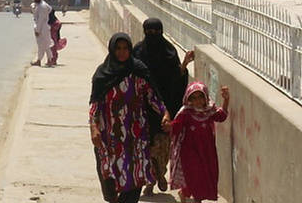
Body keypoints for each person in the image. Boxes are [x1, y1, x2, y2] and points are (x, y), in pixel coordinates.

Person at [89, 33, 170, 203]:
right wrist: (94, 128)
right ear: (112, 49)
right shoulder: (102, 75)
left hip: (136, 137)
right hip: (109, 137)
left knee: (134, 179)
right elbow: (95, 104)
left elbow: (152, 97)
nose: (122, 52)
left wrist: (165, 114)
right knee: (110, 183)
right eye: (118, 48)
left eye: (125, 48)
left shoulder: (139, 71)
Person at [133, 18, 195, 196]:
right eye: (149, 32)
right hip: (143, 106)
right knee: (146, 145)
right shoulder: (137, 51)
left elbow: (176, 77)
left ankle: (159, 173)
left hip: (165, 106)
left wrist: (183, 65)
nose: (152, 35)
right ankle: (151, 179)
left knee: (162, 145)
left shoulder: (169, 52)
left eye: (156, 32)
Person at [166, 82, 230, 203]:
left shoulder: (210, 110)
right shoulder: (185, 113)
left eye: (200, 97)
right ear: (188, 99)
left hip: (207, 151)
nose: (197, 101)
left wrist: (226, 100)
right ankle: (196, 199)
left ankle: (184, 193)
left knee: (204, 176)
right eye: (193, 98)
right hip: (189, 152)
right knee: (194, 176)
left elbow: (221, 116)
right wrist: (169, 126)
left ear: (205, 97)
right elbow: (176, 127)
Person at [30, 0, 53, 67]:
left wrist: (37, 30)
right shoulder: (40, 4)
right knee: (45, 45)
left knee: (42, 45)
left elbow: (40, 20)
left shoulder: (42, 6)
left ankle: (41, 60)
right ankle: (47, 60)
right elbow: (50, 9)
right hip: (43, 27)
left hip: (42, 28)